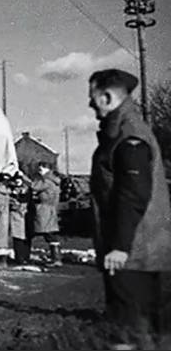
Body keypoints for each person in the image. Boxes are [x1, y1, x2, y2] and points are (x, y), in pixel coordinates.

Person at [88, 69, 171, 348]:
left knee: (129, 334)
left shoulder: (129, 136)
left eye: (94, 97)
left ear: (108, 97)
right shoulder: (124, 131)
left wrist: (120, 246)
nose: (90, 104)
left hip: (132, 254)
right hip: (136, 252)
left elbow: (132, 194)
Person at [30, 161, 63, 266]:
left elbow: (34, 186)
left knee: (49, 234)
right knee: (50, 233)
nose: (40, 170)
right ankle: (56, 258)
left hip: (44, 209)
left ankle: (56, 259)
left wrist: (23, 178)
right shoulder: (54, 181)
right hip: (51, 209)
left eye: (41, 168)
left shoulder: (46, 181)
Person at [9, 173, 31, 265]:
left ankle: (22, 257)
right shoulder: (16, 189)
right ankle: (21, 257)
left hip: (21, 215)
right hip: (21, 216)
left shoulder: (24, 190)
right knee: (18, 238)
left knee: (21, 238)